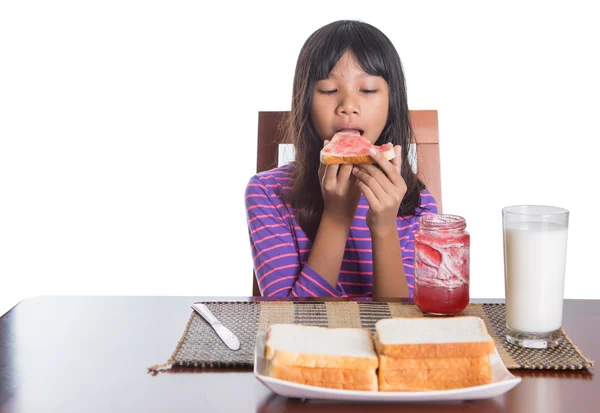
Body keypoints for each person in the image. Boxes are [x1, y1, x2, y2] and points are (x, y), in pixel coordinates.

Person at [245, 20, 437, 300]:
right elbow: (289, 322)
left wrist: (384, 225)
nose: (348, 105)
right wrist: (336, 217)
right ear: (304, 102)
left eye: (368, 90)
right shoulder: (267, 193)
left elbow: (402, 327)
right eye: (328, 90)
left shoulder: (416, 202)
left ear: (391, 103)